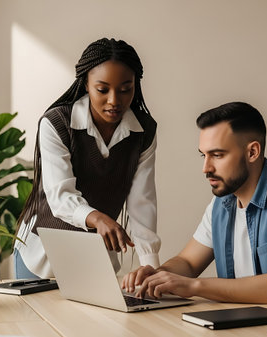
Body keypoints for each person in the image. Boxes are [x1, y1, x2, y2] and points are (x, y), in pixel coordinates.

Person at [122, 102, 267, 317]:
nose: (205, 168)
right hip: (250, 326)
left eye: (217, 155)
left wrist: (194, 286)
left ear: (252, 152)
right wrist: (157, 275)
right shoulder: (222, 205)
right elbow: (188, 262)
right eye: (204, 155)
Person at [14, 38, 161, 279]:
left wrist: (149, 264)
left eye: (126, 89)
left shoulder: (144, 132)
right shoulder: (57, 123)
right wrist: (97, 218)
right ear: (85, 84)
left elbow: (142, 202)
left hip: (96, 259)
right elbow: (60, 196)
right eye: (102, 90)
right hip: (42, 258)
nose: (114, 100)